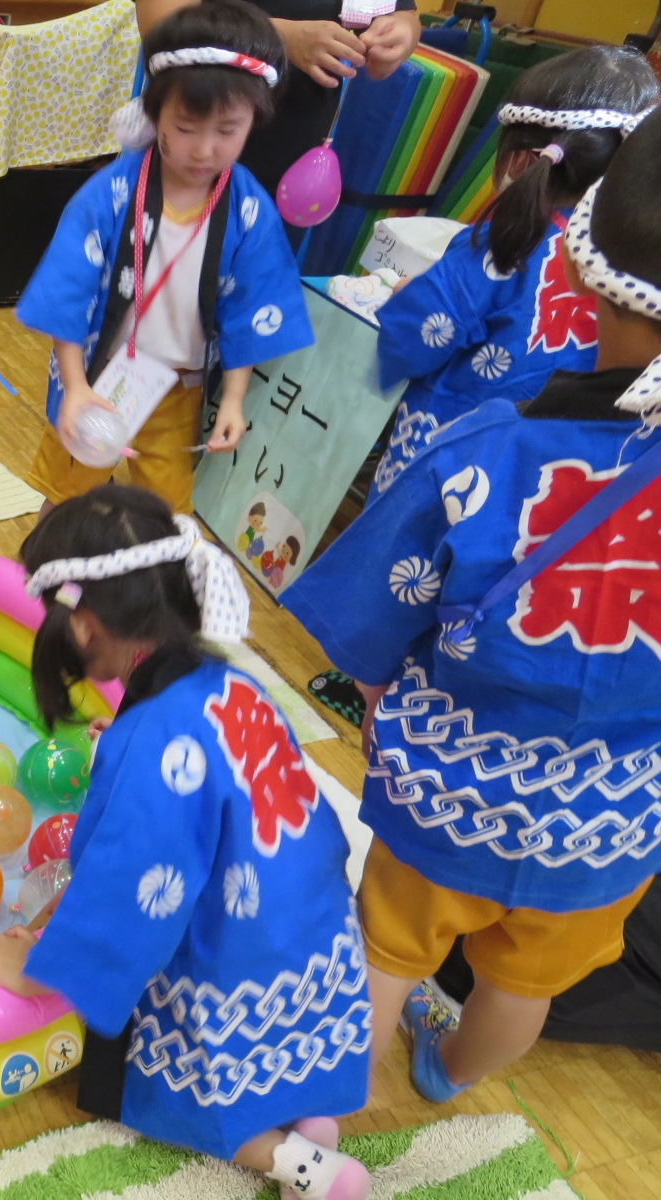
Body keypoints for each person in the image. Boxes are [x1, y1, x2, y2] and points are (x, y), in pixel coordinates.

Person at [282, 109, 661, 1105]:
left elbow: (372, 617)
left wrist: (374, 693)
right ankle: (448, 1073)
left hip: (452, 784)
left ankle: (326, 1100)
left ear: (578, 272)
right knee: (521, 983)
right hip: (615, 815)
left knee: (388, 950)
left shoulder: (487, 447)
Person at [0, 486, 372, 1200]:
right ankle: (308, 1112)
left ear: (86, 625)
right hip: (314, 939)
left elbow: (131, 897)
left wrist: (34, 970)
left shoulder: (155, 740)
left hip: (239, 966)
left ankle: (304, 1167)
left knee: (177, 1090)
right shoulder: (227, 682)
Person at [18, 0, 314, 515]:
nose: (204, 149)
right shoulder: (111, 193)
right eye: (185, 127)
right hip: (100, 373)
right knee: (66, 500)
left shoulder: (247, 210)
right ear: (155, 113)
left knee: (164, 512)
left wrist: (234, 399)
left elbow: (251, 309)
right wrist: (75, 386)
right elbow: (68, 291)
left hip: (178, 390)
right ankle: (41, 584)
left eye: (228, 130)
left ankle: (128, 592)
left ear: (254, 121)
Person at [371, 46, 659, 493]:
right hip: (557, 481)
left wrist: (403, 299)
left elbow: (410, 339)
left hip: (445, 461)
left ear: (522, 158)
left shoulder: (502, 243)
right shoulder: (633, 267)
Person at [137, 1, 423, 197]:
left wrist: (401, 32)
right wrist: (282, 37)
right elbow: (161, 22)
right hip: (193, 146)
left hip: (295, 155)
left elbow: (403, 14)